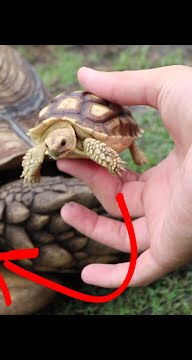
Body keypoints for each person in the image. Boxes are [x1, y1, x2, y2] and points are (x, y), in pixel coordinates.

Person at [56, 65, 192, 288]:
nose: (55, 149)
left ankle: (131, 152)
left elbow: (94, 144)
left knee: (93, 150)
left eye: (61, 144)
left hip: (101, 134)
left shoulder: (89, 140)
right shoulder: (55, 142)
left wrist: (112, 162)